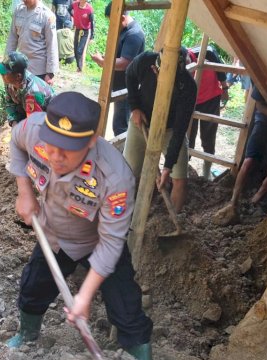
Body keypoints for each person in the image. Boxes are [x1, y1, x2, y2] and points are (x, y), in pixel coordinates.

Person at [6, 91, 153, 360]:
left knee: (125, 308)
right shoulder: (36, 129)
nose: (56, 157)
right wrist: (24, 191)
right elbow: (15, 141)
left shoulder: (115, 178)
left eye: (67, 149)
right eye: (51, 146)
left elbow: (111, 243)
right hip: (53, 235)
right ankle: (27, 335)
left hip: (96, 241)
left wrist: (84, 296)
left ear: (91, 141)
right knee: (33, 288)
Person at [123, 47, 197, 213]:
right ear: (155, 67)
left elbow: (179, 131)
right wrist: (135, 107)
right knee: (128, 174)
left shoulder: (187, 87)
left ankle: (169, 225)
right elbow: (129, 74)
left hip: (170, 131)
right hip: (141, 124)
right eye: (160, 74)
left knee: (180, 180)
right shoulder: (145, 60)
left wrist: (167, 167)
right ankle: (125, 217)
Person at [213, 87, 267, 226]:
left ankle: (253, 203)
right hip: (265, 123)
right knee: (248, 161)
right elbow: (259, 105)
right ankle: (233, 203)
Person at [90, 3, 145, 135]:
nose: (112, 25)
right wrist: (105, 59)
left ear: (121, 18)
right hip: (120, 84)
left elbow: (124, 62)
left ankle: (121, 155)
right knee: (119, 124)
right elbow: (120, 55)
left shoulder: (134, 34)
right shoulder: (125, 31)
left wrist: (103, 62)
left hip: (127, 87)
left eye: (112, 21)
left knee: (120, 126)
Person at [187, 44, 230, 179]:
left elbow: (221, 72)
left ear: (190, 57)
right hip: (190, 102)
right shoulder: (177, 65)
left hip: (210, 98)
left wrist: (225, 90)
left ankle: (207, 171)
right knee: (188, 136)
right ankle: (185, 169)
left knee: (208, 135)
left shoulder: (207, 53)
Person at [0, 51, 55, 126]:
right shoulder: (10, 82)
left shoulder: (33, 92)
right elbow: (10, 104)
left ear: (18, 76)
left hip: (50, 120)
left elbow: (34, 124)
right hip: (30, 114)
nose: (2, 74)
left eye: (5, 73)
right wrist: (14, 123)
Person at [7, 0, 59, 85]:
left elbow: (52, 45)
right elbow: (12, 38)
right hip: (21, 68)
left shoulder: (47, 15)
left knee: (35, 98)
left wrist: (50, 74)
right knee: (19, 96)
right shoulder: (18, 10)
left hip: (38, 72)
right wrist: (7, 61)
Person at [71, 0, 94, 72]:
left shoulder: (89, 9)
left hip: (85, 31)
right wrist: (74, 15)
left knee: (79, 50)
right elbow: (69, 9)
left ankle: (80, 68)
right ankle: (78, 67)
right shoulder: (75, 4)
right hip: (77, 29)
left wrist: (92, 36)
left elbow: (92, 23)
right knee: (75, 49)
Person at [52, 0, 75, 65]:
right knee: (57, 40)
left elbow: (72, 12)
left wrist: (73, 22)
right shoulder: (56, 0)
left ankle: (66, 56)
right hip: (57, 22)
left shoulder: (70, 1)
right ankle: (57, 56)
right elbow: (53, 10)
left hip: (67, 23)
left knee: (67, 40)